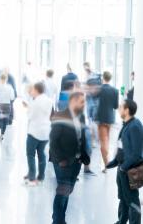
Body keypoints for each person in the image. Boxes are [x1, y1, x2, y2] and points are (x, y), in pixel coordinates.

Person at [49, 92, 91, 224]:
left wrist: (84, 156)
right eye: (81, 101)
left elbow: (82, 137)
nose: (84, 104)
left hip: (76, 161)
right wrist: (61, 160)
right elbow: (53, 141)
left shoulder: (81, 117)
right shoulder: (60, 115)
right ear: (73, 101)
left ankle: (60, 219)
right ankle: (57, 221)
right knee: (62, 193)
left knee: (67, 191)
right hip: (63, 162)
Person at [110, 99, 142, 224]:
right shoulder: (127, 124)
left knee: (132, 200)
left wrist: (123, 168)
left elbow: (136, 154)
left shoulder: (135, 126)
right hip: (122, 168)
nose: (118, 109)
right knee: (123, 198)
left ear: (127, 110)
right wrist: (114, 163)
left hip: (129, 170)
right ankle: (121, 221)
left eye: (120, 107)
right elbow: (122, 147)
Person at [22, 82, 53, 186]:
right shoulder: (49, 100)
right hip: (45, 132)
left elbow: (30, 116)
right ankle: (41, 177)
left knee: (30, 155)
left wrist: (28, 108)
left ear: (36, 90)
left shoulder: (36, 102)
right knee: (42, 154)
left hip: (34, 132)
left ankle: (32, 178)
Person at [96, 71, 119, 172]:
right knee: (107, 140)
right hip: (110, 119)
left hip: (101, 118)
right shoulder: (115, 90)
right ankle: (106, 164)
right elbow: (116, 106)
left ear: (103, 78)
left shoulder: (99, 89)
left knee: (103, 143)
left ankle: (106, 165)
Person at [0, 74, 15, 141]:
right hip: (6, 105)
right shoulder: (9, 87)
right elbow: (12, 97)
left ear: (0, 79)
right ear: (6, 79)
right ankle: (2, 134)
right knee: (5, 121)